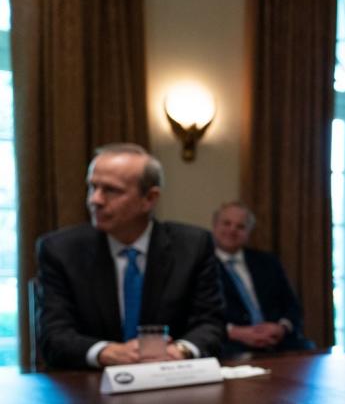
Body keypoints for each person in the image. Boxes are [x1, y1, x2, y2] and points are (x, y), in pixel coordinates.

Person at [36, 143, 224, 369]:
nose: (95, 199)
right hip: (90, 390)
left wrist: (180, 351)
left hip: (170, 382)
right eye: (92, 187)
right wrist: (105, 352)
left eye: (111, 190)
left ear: (150, 199)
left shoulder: (193, 246)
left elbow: (210, 324)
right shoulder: (60, 250)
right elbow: (54, 336)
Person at [211, 200, 314, 357]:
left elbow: (293, 307)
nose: (232, 230)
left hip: (279, 344)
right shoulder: (202, 266)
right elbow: (196, 317)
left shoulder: (267, 262)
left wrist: (281, 327)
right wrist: (235, 332)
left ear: (248, 232)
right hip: (231, 346)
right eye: (226, 223)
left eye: (240, 226)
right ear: (214, 226)